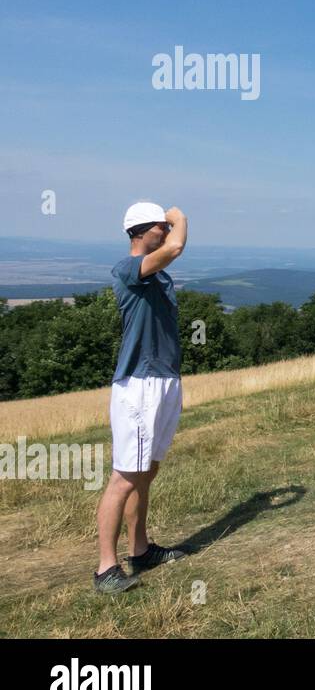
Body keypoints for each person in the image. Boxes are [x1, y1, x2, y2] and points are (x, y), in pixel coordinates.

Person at [94, 202, 190, 593]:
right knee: (124, 478)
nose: (167, 232)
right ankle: (105, 570)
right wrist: (179, 216)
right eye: (161, 228)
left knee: (146, 472)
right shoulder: (127, 270)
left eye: (168, 227)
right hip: (139, 384)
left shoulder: (159, 277)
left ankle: (141, 549)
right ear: (142, 231)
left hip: (164, 380)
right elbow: (176, 248)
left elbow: (169, 255)